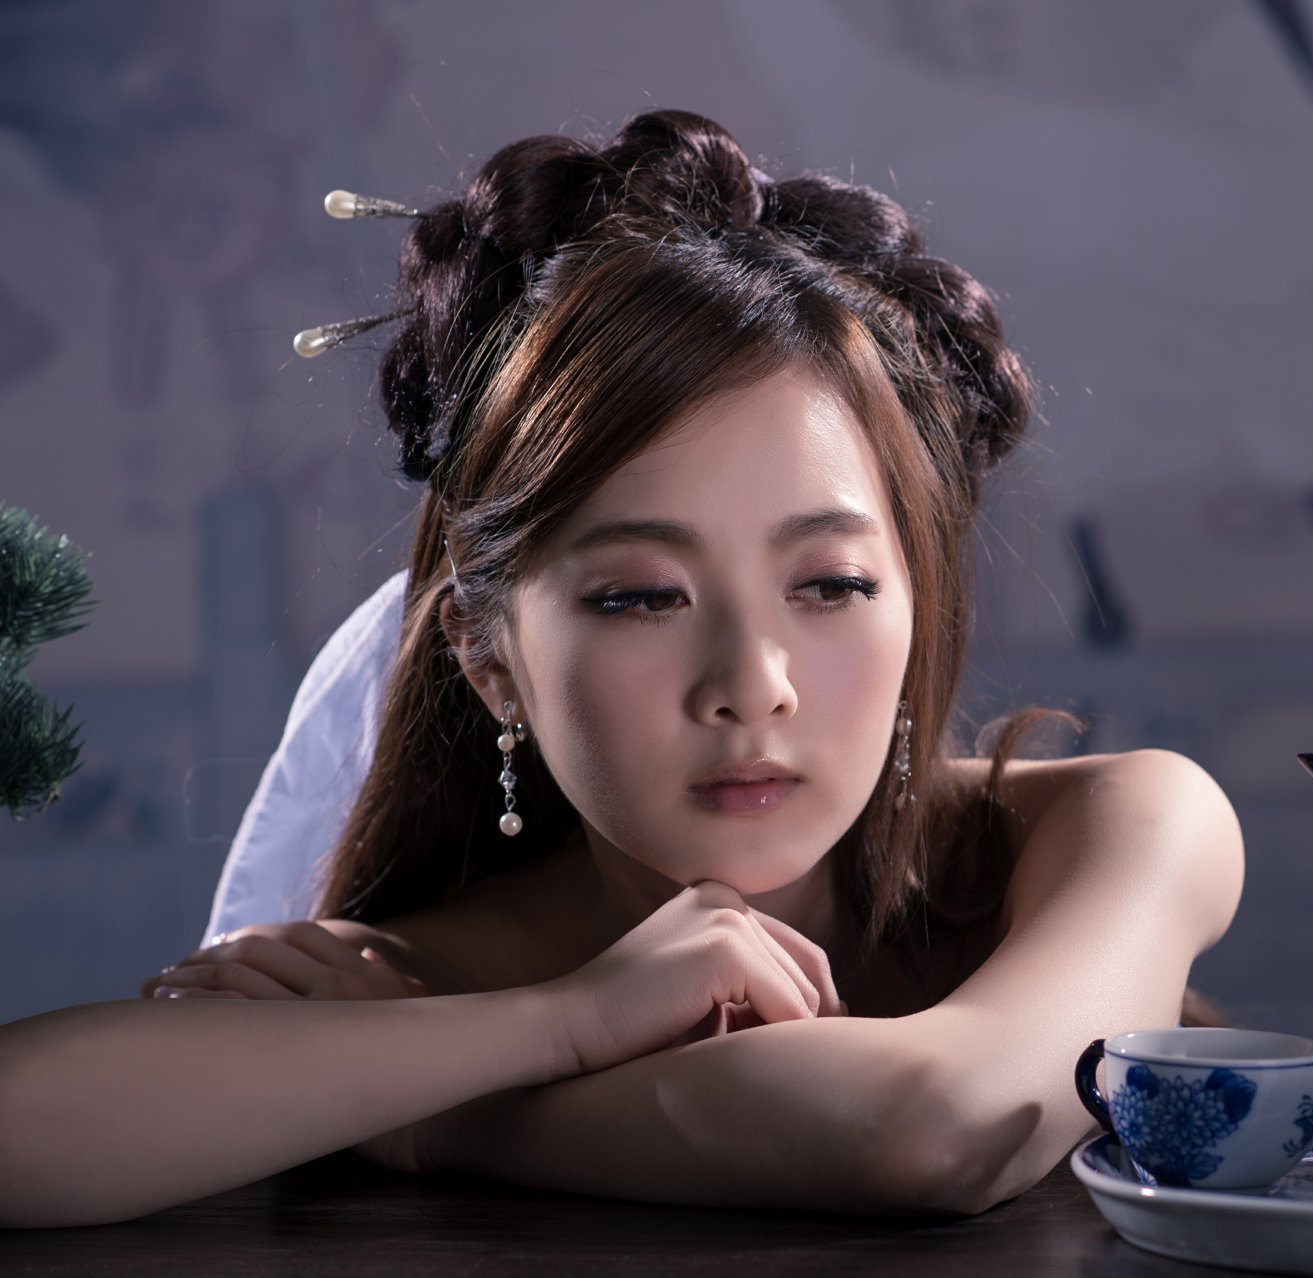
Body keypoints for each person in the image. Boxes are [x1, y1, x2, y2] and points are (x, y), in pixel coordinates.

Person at [0, 109, 1243, 1228]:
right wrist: (564, 1020)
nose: (752, 683)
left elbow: (941, 1124)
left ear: (917, 600)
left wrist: (424, 1104)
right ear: (491, 662)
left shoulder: (1116, 824)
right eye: (642, 596)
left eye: (831, 586)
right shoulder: (421, 982)